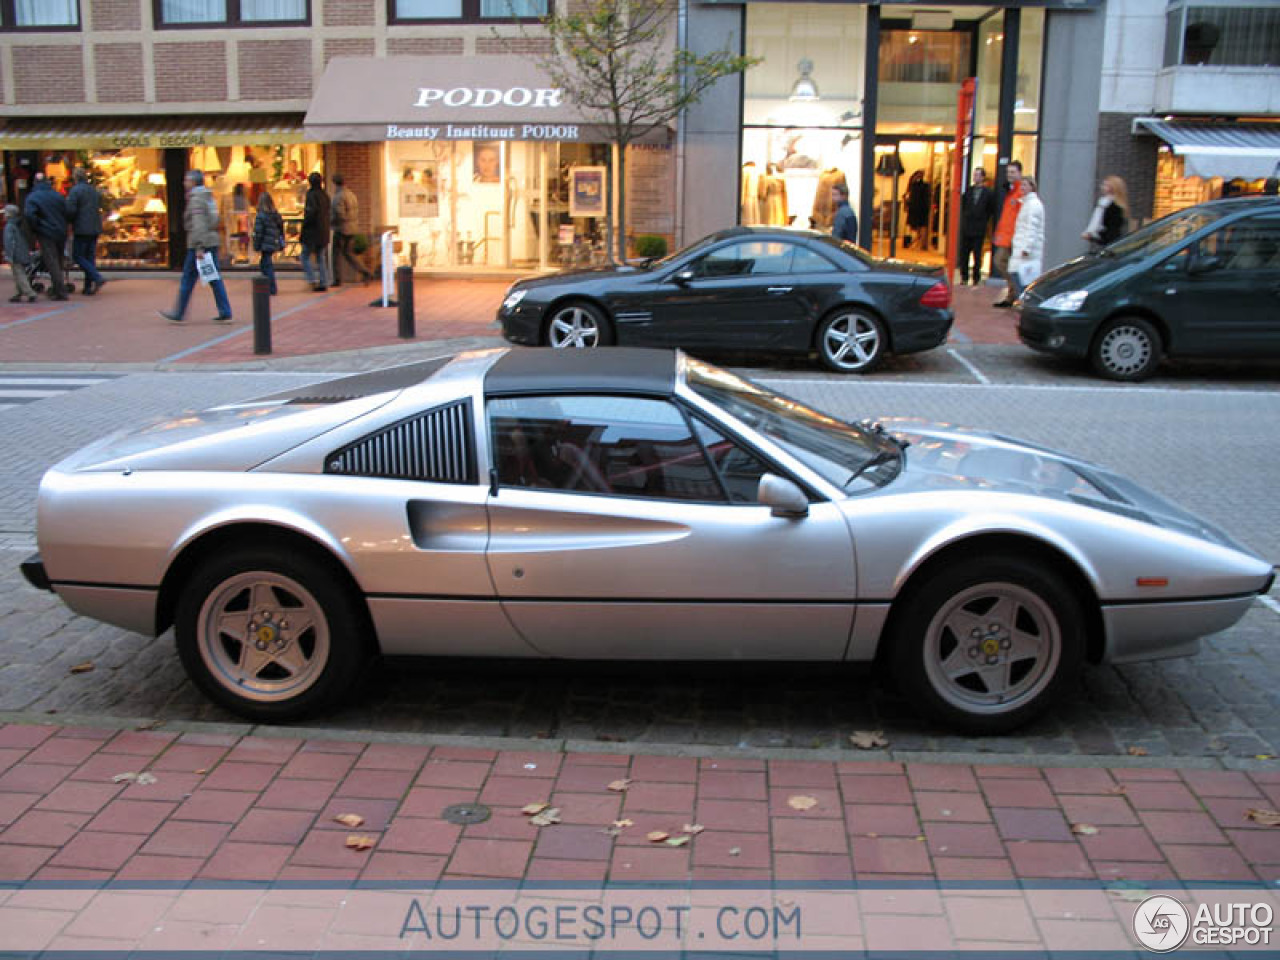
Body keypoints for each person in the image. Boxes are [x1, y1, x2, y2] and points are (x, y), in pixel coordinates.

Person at [159, 169, 232, 324]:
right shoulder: (208, 196)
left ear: (193, 182)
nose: (184, 183)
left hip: (199, 244)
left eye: (187, 180)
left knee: (188, 278)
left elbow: (198, 223)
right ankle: (225, 310)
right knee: (213, 277)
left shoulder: (196, 199)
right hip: (210, 241)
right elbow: (213, 219)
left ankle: (179, 312)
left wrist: (199, 246)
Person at [23, 172, 69, 301]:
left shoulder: (32, 197)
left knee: (51, 261)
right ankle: (59, 286)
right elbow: (67, 211)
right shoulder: (57, 195)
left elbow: (30, 215)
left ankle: (60, 291)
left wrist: (37, 227)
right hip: (60, 231)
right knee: (58, 260)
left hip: (46, 232)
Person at [65, 168, 107, 295]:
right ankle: (88, 286)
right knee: (89, 256)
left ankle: (96, 277)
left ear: (75, 177)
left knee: (78, 256)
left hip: (82, 227)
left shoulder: (75, 190)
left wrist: (68, 220)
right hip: (94, 226)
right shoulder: (93, 190)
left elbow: (71, 210)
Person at [990, 160, 1024, 308]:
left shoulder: (1019, 192)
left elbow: (1019, 217)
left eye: (1012, 172)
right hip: (1007, 237)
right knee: (1005, 264)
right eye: (1008, 172)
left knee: (1002, 262)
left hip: (1013, 237)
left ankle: (1016, 292)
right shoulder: (1010, 192)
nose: (1009, 175)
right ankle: (1013, 294)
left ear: (1019, 173)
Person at [1008, 176, 1046, 303]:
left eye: (1025, 185)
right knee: (1019, 277)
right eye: (1021, 185)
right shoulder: (1027, 204)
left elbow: (1032, 228)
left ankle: (1026, 305)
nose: (1022, 188)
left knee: (1022, 279)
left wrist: (1027, 248)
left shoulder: (1033, 205)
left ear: (1032, 187)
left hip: (1026, 252)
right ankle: (1024, 303)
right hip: (1022, 248)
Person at [958, 167, 996, 285]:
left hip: (979, 227)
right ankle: (964, 276)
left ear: (983, 177)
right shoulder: (968, 191)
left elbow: (990, 209)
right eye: (974, 175)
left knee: (977, 253)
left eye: (978, 175)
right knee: (964, 253)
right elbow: (963, 205)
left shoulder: (988, 193)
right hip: (967, 227)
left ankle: (976, 277)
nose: (975, 177)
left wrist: (984, 220)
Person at [330, 173, 370, 286]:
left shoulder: (338, 197)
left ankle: (337, 279)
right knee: (349, 253)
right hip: (352, 227)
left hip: (341, 228)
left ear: (334, 183)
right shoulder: (352, 195)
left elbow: (339, 214)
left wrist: (331, 221)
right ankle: (364, 271)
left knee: (336, 255)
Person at [301, 171, 331, 291]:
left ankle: (312, 279)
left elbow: (310, 213)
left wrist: (304, 227)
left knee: (304, 255)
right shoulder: (325, 195)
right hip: (323, 231)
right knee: (320, 257)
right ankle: (324, 281)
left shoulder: (311, 195)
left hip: (312, 232)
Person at [1082, 175, 1129, 251]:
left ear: (1113, 188)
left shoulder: (1114, 207)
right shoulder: (1104, 202)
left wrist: (1092, 236)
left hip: (1110, 244)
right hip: (1107, 242)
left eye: (1106, 185)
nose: (1102, 187)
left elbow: (1111, 230)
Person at [252, 191, 285, 296]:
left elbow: (258, 232)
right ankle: (268, 286)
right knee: (265, 263)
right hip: (273, 242)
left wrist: (256, 244)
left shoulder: (260, 216)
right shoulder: (276, 214)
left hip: (265, 243)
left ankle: (271, 287)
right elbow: (281, 229)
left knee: (266, 264)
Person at [4, 205, 38, 303]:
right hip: (22, 252)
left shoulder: (9, 227)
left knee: (19, 273)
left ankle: (30, 292)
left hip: (15, 254)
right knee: (19, 273)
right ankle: (17, 293)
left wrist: (9, 255)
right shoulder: (18, 224)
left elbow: (9, 242)